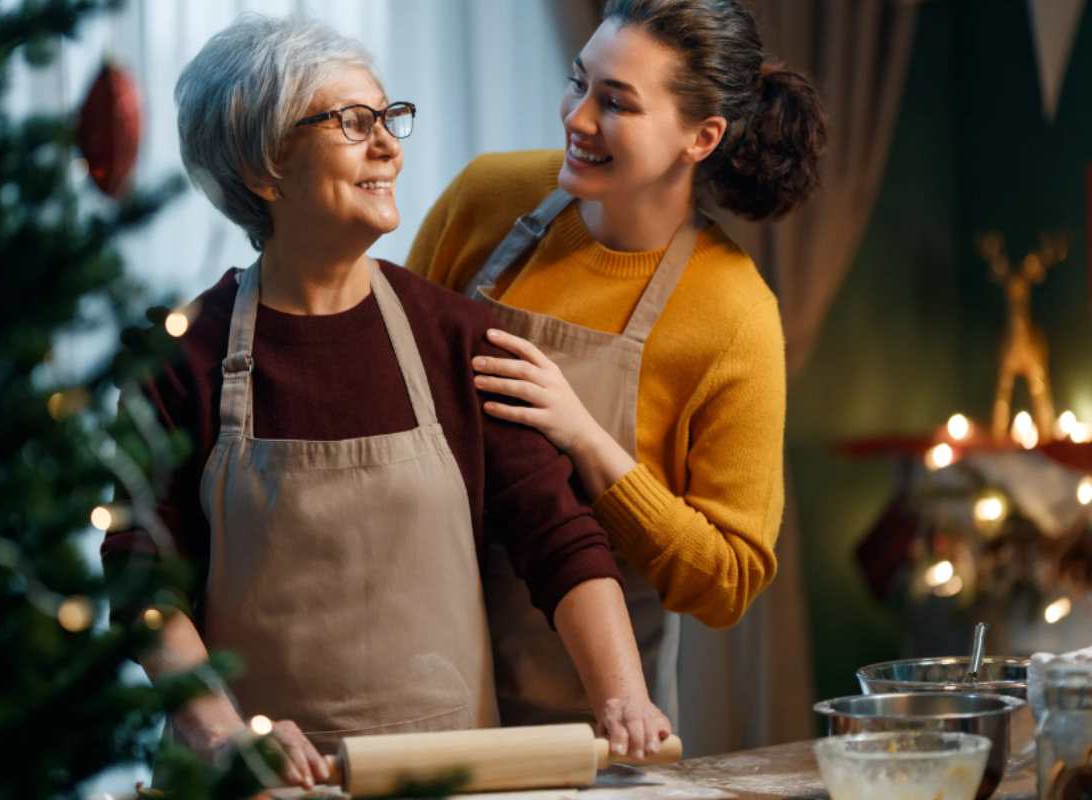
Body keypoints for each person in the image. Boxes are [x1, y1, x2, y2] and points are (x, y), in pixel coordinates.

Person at [100, 13, 670, 790]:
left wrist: (623, 696)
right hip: (258, 782)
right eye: (353, 122)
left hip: (447, 774)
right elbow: (142, 580)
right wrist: (223, 733)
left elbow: (559, 538)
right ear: (266, 166)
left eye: (390, 117)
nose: (389, 146)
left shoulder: (458, 337)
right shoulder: (181, 360)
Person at [407, 0, 825, 728]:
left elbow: (727, 582)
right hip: (418, 683)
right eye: (578, 83)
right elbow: (395, 373)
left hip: (590, 724)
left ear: (703, 136)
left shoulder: (733, 315)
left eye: (616, 104)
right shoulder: (488, 198)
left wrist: (586, 438)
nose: (577, 118)